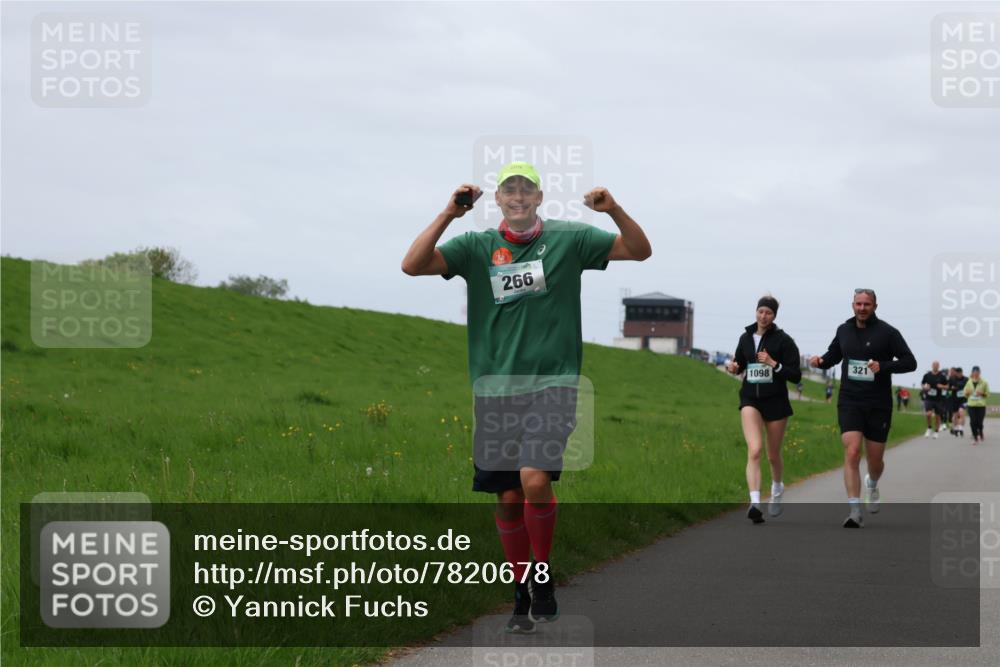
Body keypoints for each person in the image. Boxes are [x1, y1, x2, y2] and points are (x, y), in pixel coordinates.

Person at [401, 161, 651, 633]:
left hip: (553, 385)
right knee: (509, 498)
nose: (518, 197)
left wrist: (613, 209)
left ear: (539, 198)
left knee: (535, 479)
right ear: (497, 199)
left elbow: (639, 251)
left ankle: (542, 575)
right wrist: (448, 214)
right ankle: (520, 590)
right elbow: (412, 265)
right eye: (509, 190)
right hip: (495, 391)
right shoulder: (476, 247)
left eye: (527, 190)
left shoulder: (569, 239)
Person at [809, 289, 917, 528]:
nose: (862, 308)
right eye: (858, 304)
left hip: (878, 403)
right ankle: (854, 509)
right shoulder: (843, 330)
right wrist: (820, 362)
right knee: (852, 452)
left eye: (867, 304)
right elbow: (833, 355)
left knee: (875, 460)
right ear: (852, 305)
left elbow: (910, 362)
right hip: (850, 400)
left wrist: (884, 365)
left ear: (875, 306)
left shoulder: (888, 333)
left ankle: (872, 483)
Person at [726, 296, 801, 523]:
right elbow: (739, 364)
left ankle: (777, 489)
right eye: (760, 311)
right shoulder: (745, 338)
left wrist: (773, 363)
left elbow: (795, 375)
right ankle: (755, 502)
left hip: (776, 402)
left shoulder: (784, 341)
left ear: (774, 316)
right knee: (755, 449)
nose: (763, 316)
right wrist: (733, 367)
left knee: (772, 454)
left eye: (768, 313)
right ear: (756, 312)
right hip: (751, 399)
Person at [921, 361, 950, 438]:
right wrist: (925, 387)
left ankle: (936, 431)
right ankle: (929, 428)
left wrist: (942, 386)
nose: (935, 366)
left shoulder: (942, 376)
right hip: (929, 398)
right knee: (929, 414)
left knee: (937, 416)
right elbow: (922, 384)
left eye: (937, 365)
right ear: (932, 366)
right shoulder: (927, 375)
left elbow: (947, 386)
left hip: (938, 399)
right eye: (934, 365)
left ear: (939, 366)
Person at [964, 366, 989, 444]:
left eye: (977, 372)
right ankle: (975, 438)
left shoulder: (984, 382)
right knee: (972, 422)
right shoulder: (969, 382)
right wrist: (967, 393)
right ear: (972, 373)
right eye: (974, 372)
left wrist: (982, 393)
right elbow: (965, 393)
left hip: (981, 405)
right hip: (971, 405)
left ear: (979, 373)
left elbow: (987, 394)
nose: (975, 374)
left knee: (979, 423)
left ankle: (980, 431)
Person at [949, 367, 968, 437]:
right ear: (956, 373)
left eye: (960, 373)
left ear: (962, 373)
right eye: (957, 373)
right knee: (955, 415)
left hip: (963, 399)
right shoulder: (952, 379)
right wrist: (952, 388)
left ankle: (961, 427)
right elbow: (948, 387)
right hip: (955, 399)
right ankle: (956, 428)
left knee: (961, 412)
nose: (959, 374)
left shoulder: (966, 379)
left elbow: (969, 387)